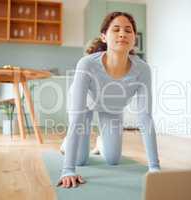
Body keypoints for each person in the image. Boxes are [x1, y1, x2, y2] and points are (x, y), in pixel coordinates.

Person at [58, 11, 160, 188]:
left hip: (112, 108)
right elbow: (77, 118)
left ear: (134, 38)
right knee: (81, 160)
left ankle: (100, 141)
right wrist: (68, 170)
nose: (122, 34)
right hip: (85, 107)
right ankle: (66, 143)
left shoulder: (143, 70)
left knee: (113, 159)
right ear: (104, 37)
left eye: (128, 30)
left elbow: (145, 117)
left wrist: (154, 168)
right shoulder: (86, 64)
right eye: (116, 29)